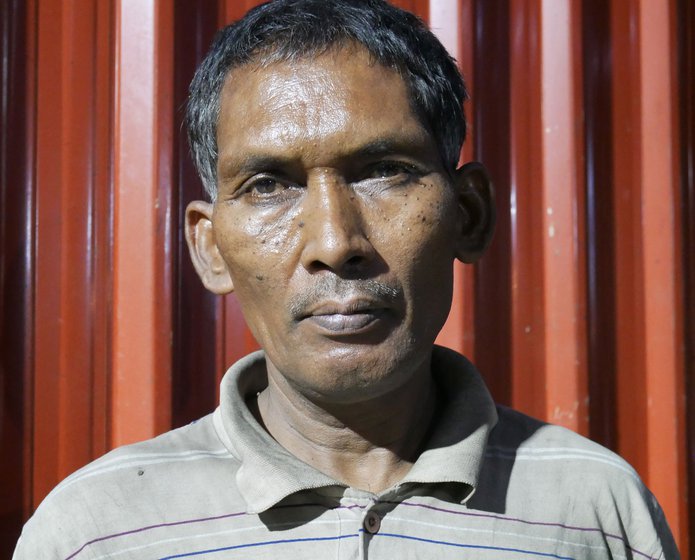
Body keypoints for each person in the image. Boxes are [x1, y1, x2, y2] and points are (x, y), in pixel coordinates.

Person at [14, 0, 679, 558]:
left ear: (468, 216)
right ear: (210, 247)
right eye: (269, 184)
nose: (335, 244)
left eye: (384, 171)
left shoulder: (593, 511)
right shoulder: (98, 531)